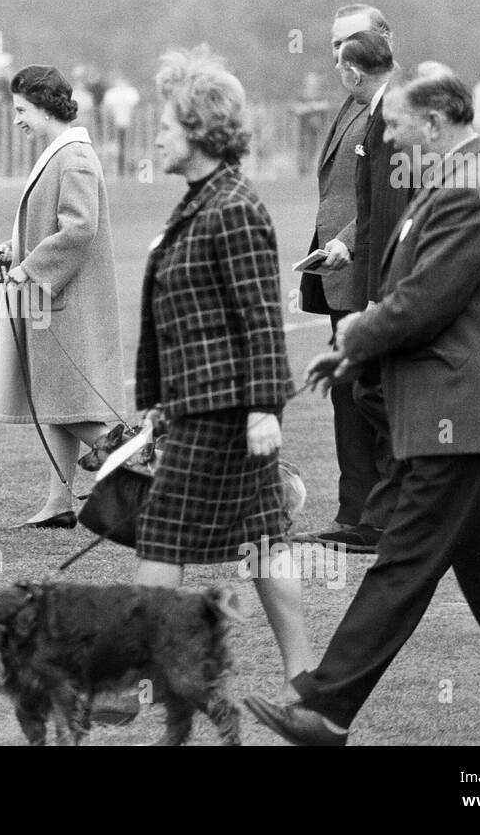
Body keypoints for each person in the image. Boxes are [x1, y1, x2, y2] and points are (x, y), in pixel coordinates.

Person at [247, 73, 480, 746]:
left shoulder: (469, 191)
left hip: (465, 414)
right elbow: (414, 292)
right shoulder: (449, 184)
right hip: (467, 413)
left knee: (405, 556)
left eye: (399, 123)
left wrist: (354, 334)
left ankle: (326, 705)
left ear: (436, 123)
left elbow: (421, 301)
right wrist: (355, 351)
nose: (388, 133)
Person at [136, 45, 315, 694]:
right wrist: (158, 397)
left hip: (226, 407)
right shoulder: (200, 199)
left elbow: (260, 314)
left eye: (166, 126)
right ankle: (304, 677)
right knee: (265, 540)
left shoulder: (233, 206)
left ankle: (133, 682)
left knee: (162, 533)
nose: (156, 136)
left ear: (200, 132)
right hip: (203, 402)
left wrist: (267, 407)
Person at [0, 64, 126, 528]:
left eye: (22, 110)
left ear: (46, 107)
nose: (17, 119)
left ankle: (141, 465)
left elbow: (79, 230)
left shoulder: (74, 158)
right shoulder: (59, 155)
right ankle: (59, 503)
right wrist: (16, 250)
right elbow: (57, 224)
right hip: (52, 300)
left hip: (65, 303)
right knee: (56, 400)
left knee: (69, 406)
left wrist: (29, 270)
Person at [297, 32, 404, 553]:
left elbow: (390, 202)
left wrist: (349, 246)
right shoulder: (359, 105)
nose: (333, 56)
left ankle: (385, 519)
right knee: (354, 391)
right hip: (351, 274)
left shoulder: (395, 113)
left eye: (340, 51)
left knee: (371, 391)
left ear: (356, 69)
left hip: (375, 277)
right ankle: (359, 512)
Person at [102, 73, 141, 178]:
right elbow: (108, 109)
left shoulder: (130, 93)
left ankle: (131, 169)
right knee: (116, 148)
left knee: (129, 148)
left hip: (129, 125)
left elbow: (134, 107)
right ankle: (117, 170)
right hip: (114, 126)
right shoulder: (111, 94)